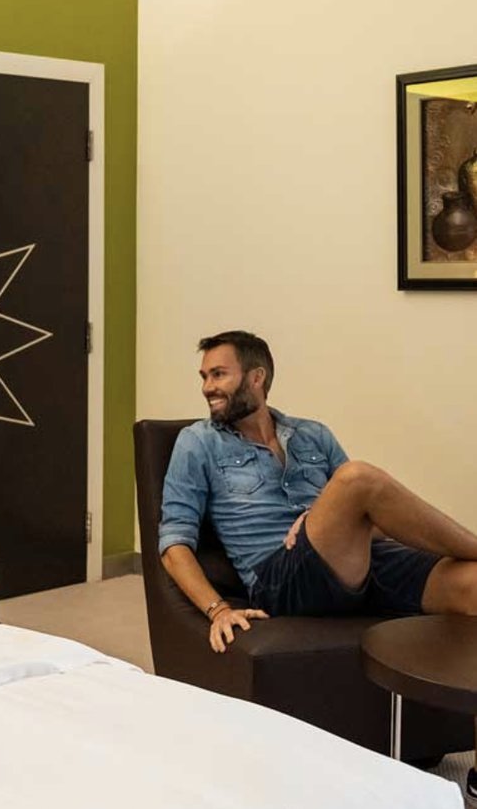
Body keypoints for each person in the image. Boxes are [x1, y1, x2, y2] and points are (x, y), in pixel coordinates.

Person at [159, 331, 477, 799]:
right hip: (281, 577)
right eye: (204, 376)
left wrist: (323, 518)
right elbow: (173, 543)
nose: (208, 386)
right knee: (355, 478)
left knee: (471, 585)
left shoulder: (312, 434)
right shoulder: (198, 444)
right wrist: (216, 609)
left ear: (257, 377)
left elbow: (366, 514)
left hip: (358, 561)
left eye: (219, 374)